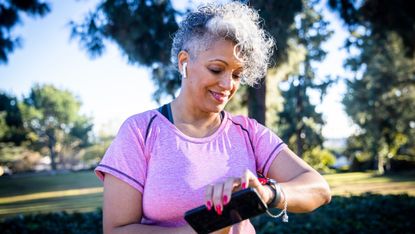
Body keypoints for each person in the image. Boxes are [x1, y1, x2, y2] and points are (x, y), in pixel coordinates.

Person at [95, 2, 331, 233]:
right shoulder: (140, 131)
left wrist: (267, 193)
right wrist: (200, 230)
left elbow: (319, 189)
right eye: (216, 69)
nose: (228, 85)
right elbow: (116, 229)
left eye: (237, 74)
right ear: (184, 62)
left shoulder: (248, 133)